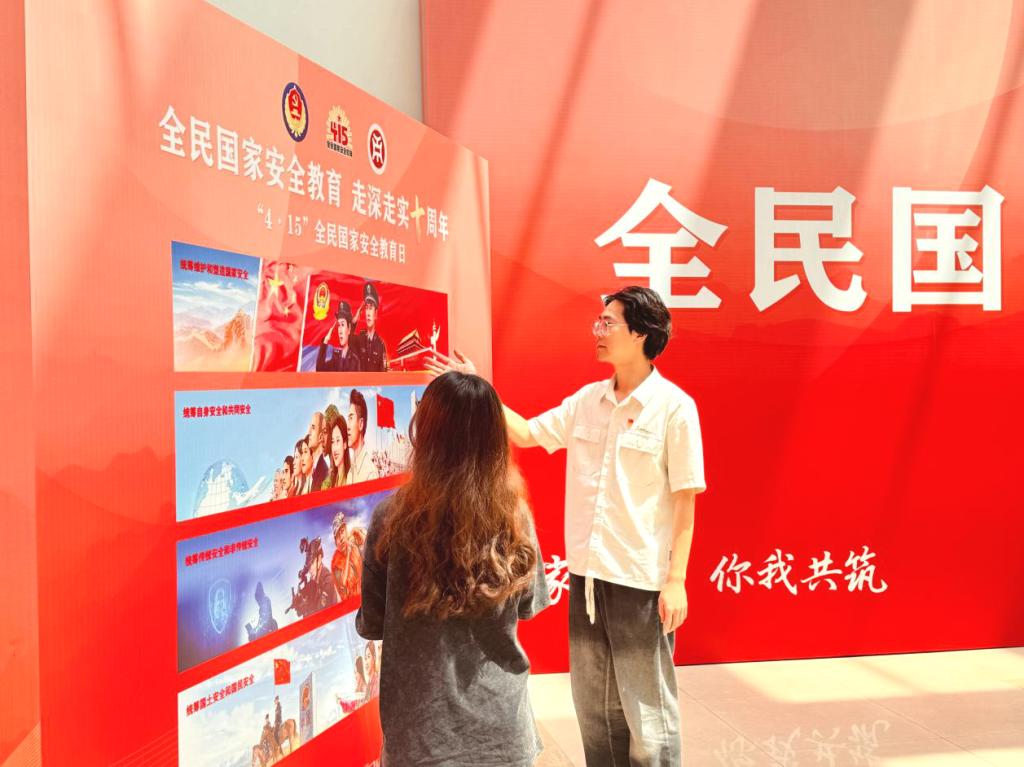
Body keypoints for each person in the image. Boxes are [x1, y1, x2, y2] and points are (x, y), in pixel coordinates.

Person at [428, 286, 705, 767]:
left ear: (641, 333)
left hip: (639, 581)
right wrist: (479, 387)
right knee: (595, 710)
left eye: (608, 323)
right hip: (588, 578)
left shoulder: (674, 408)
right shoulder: (587, 401)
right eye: (599, 322)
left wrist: (676, 580)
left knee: (649, 717)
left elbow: (685, 500)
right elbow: (528, 433)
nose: (598, 331)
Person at [357, 371, 550, 767]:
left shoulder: (391, 519)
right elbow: (528, 605)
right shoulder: (514, 517)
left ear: (425, 434)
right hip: (503, 734)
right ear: (495, 439)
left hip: (419, 736)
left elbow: (374, 623)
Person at [351, 281, 389, 372]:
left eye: (370, 308)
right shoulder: (360, 339)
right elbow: (348, 340)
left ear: (375, 313)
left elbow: (383, 372)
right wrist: (354, 321)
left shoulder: (380, 345)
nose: (367, 313)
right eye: (366, 308)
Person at [317, 300, 363, 372]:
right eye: (339, 325)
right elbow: (319, 370)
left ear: (349, 328)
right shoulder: (335, 359)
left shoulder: (355, 361)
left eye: (343, 324)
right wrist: (325, 341)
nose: (340, 330)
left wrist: (353, 323)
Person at [347, 389, 380, 484]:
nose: (347, 426)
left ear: (361, 424)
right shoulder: (350, 472)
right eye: (348, 419)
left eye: (351, 418)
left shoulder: (370, 474)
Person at [331, 510, 364, 601]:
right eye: (338, 536)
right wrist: (348, 555)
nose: (341, 538)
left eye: (342, 532)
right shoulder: (335, 562)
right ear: (335, 542)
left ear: (346, 531)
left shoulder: (353, 547)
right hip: (352, 601)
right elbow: (343, 582)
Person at [321, 415, 351, 490]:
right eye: (332, 442)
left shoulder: (350, 478)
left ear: (345, 444)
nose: (334, 448)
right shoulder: (333, 480)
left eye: (338, 441)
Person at [307, 412, 329, 490]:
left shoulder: (324, 472)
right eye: (309, 427)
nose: (309, 432)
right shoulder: (312, 470)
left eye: (313, 428)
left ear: (320, 437)